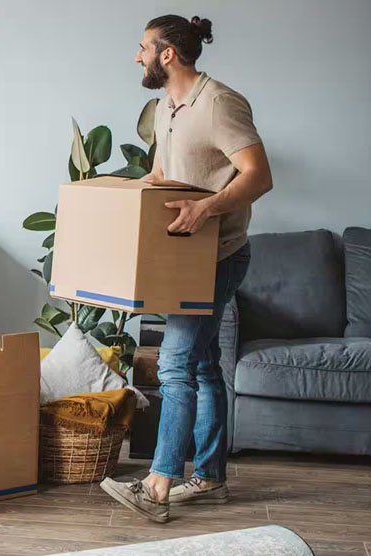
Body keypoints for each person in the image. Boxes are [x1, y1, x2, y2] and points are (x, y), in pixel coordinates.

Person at [99, 15, 273, 523]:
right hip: (182, 258)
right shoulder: (164, 106)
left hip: (218, 256)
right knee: (200, 366)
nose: (137, 57)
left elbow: (259, 176)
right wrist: (112, 200)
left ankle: (158, 482)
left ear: (167, 54)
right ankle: (211, 476)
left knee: (174, 363)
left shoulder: (219, 103)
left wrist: (207, 208)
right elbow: (161, 175)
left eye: (142, 48)